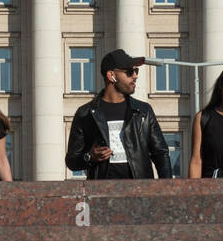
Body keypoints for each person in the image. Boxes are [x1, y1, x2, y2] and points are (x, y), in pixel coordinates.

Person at [65, 49, 173, 180]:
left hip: (139, 191)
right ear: (111, 76)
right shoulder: (85, 113)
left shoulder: (143, 111)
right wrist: (90, 157)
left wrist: (167, 188)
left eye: (136, 71)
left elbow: (160, 153)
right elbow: (72, 161)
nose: (135, 76)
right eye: (129, 72)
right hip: (101, 193)